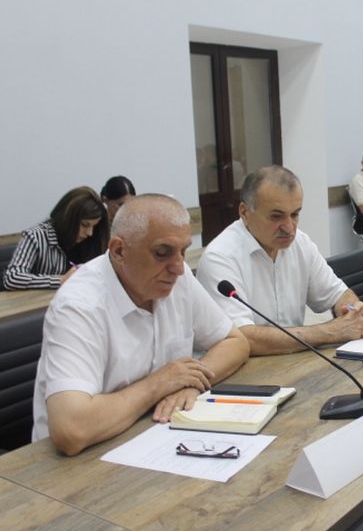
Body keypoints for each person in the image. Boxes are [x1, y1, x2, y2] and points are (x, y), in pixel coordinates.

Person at [32, 194, 250, 455]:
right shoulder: (79, 306)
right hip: (73, 464)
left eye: (183, 251)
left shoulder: (177, 280)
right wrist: (160, 383)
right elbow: (72, 429)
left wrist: (192, 382)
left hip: (154, 436)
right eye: (162, 253)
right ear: (119, 251)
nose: (179, 268)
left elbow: (235, 341)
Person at [196, 166, 363, 355]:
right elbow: (242, 338)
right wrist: (331, 331)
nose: (289, 228)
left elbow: (338, 295)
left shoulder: (300, 242)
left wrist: (354, 314)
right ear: (245, 212)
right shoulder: (220, 258)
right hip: (246, 368)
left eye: (295, 214)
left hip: (295, 361)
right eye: (276, 216)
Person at [3, 187, 109, 290]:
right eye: (84, 225)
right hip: (44, 300)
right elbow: (12, 277)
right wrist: (60, 280)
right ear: (67, 218)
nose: (90, 233)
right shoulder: (36, 236)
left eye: (94, 226)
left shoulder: (92, 239)